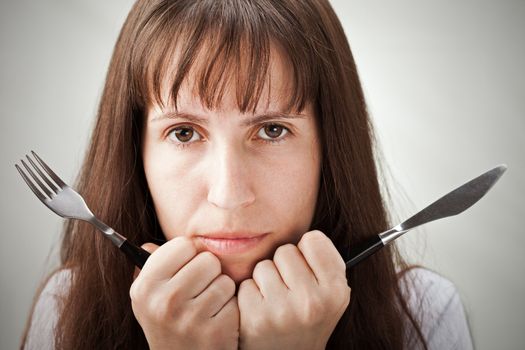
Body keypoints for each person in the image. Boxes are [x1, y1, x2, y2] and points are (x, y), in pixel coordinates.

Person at [21, 0, 473, 349]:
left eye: (272, 129)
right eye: (183, 133)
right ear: (134, 150)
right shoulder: (66, 306)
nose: (229, 195)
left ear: (330, 148)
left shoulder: (423, 312)